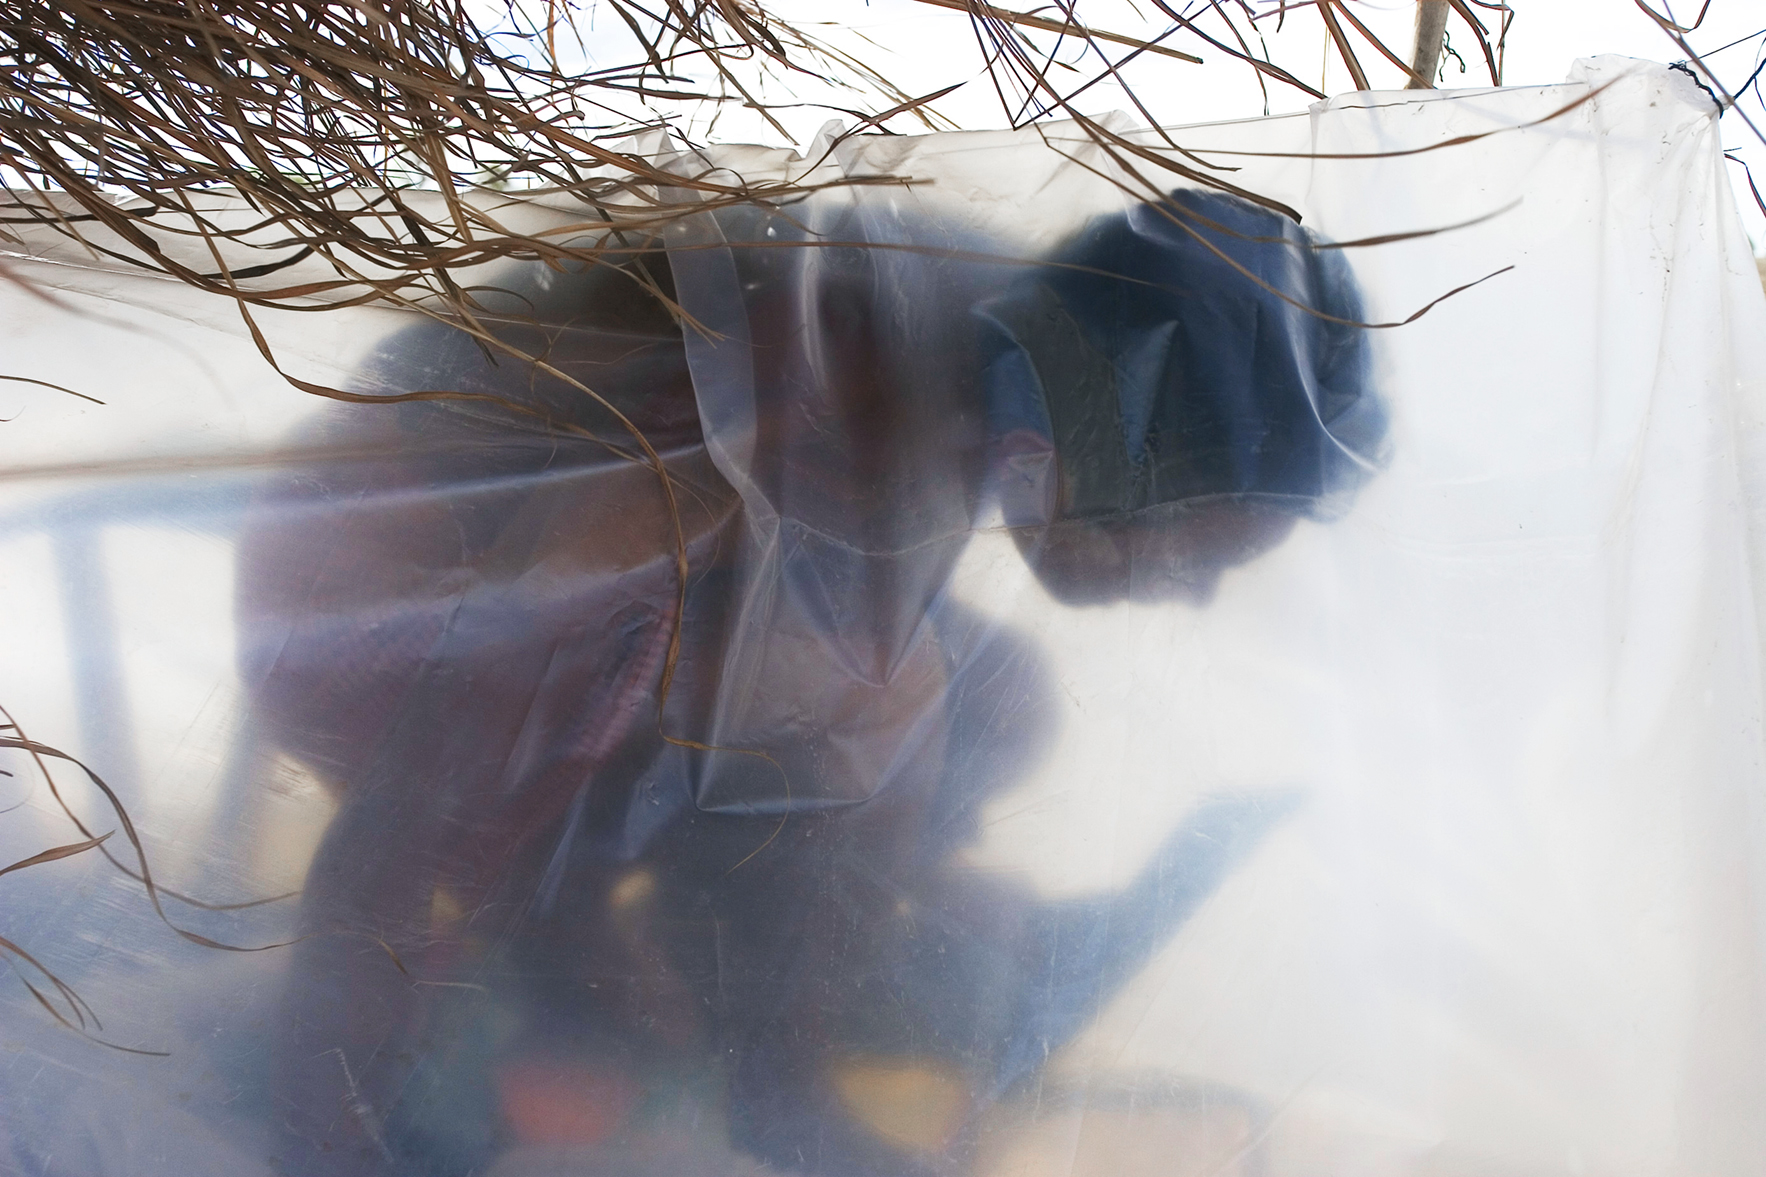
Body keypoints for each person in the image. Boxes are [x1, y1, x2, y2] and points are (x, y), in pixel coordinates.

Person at [232, 186, 1383, 1177]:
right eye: (1197, 550)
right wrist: (328, 1131)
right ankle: (608, 974)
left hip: (592, 600)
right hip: (377, 609)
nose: (1186, 594)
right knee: (878, 693)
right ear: (1114, 431)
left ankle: (744, 997)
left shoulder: (987, 357)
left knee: (976, 697)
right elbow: (424, 792)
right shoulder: (743, 434)